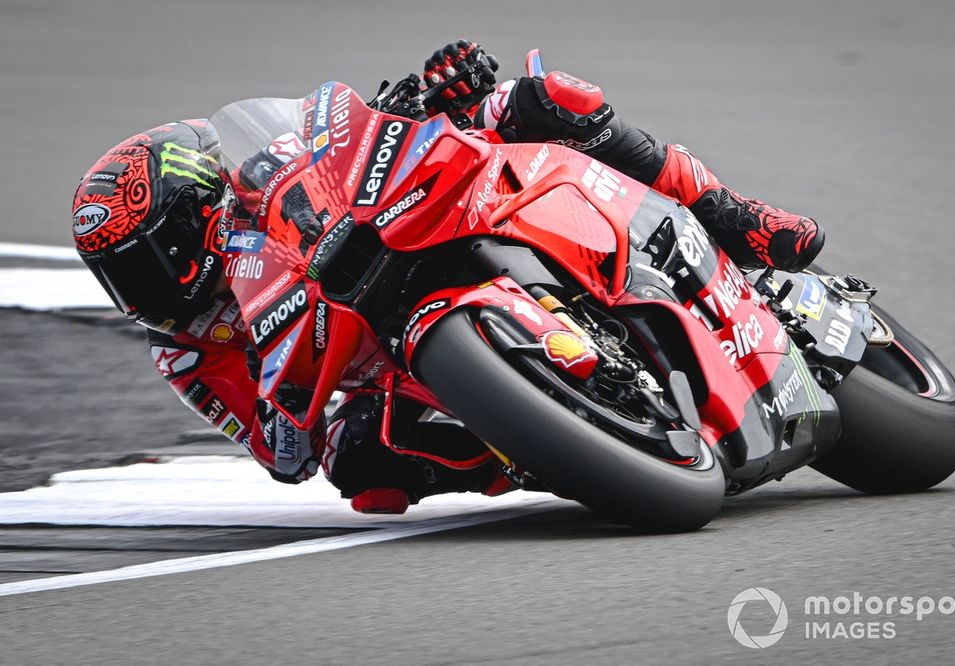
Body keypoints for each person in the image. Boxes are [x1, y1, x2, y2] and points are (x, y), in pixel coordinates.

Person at [70, 41, 824, 514]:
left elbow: (339, 138)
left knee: (548, 97)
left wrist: (437, 96)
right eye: (118, 277)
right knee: (360, 467)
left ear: (196, 209)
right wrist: (296, 409)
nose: (142, 292)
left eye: (149, 260)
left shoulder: (259, 181)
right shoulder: (186, 352)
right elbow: (280, 454)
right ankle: (544, 441)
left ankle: (732, 215)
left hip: (427, 217)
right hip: (390, 370)